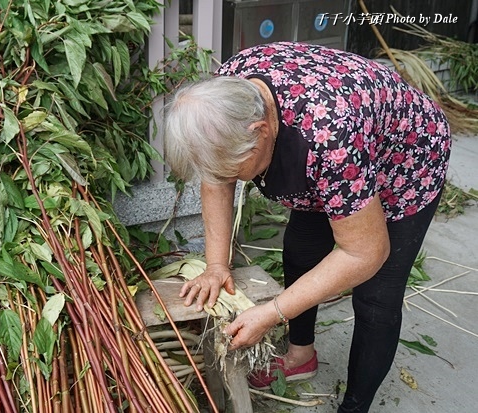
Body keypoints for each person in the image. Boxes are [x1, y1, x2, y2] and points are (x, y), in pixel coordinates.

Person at [163, 41, 451, 412]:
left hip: (406, 158)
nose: (226, 179)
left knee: (376, 296)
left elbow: (365, 252)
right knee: (300, 250)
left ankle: (354, 406)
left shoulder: (331, 138)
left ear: (261, 130)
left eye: (234, 169)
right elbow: (217, 178)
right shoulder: (224, 98)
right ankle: (301, 355)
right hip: (338, 149)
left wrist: (271, 313)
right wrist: (216, 265)